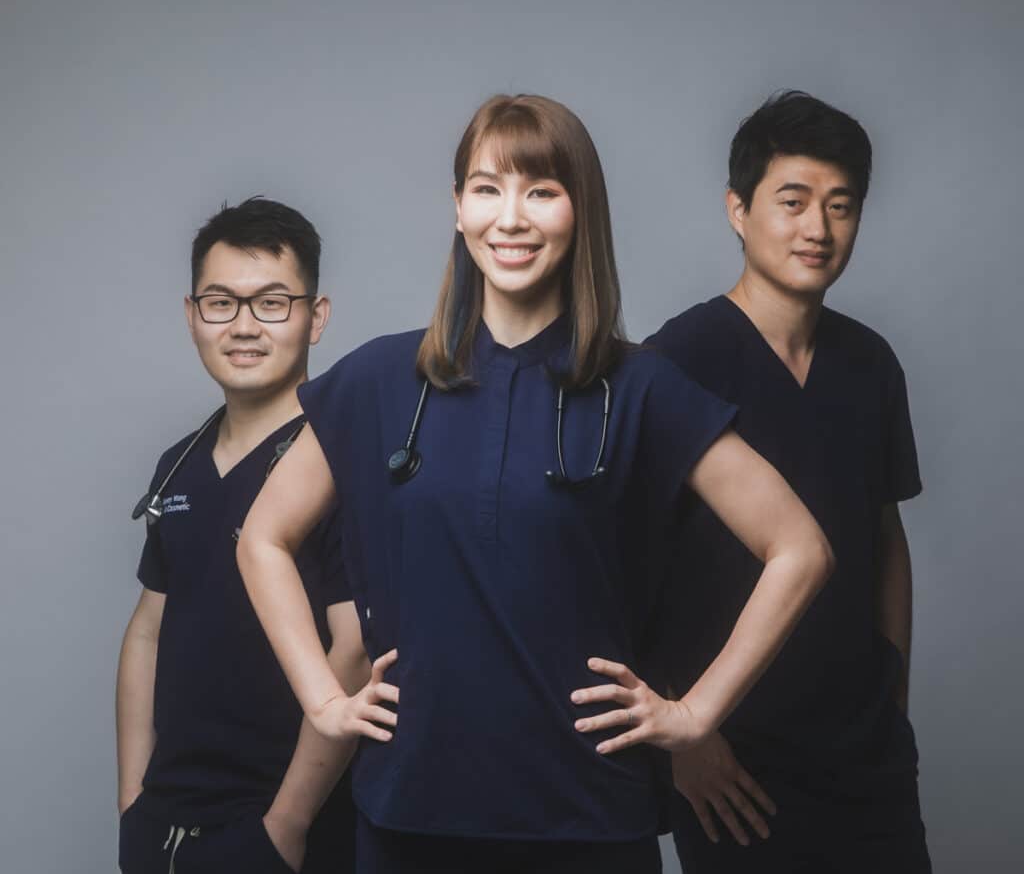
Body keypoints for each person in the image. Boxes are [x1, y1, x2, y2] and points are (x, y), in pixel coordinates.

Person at [236, 94, 834, 874]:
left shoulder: (641, 386)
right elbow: (262, 536)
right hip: (411, 812)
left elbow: (800, 547)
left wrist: (694, 712)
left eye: (540, 191)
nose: (510, 217)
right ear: (458, 208)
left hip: (586, 821)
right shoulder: (384, 379)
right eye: (487, 189)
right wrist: (324, 699)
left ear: (579, 210)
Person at [647, 91, 932, 873]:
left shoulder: (870, 363)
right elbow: (623, 569)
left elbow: (884, 542)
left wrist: (893, 702)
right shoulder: (675, 362)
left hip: (864, 752)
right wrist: (686, 737)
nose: (818, 228)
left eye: (841, 206)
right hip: (734, 764)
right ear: (738, 209)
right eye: (794, 200)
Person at [116, 197, 374, 873]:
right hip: (166, 824)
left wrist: (286, 824)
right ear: (192, 314)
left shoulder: (338, 460)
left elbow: (356, 647)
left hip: (289, 828)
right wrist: (131, 799)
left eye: (272, 303)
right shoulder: (179, 461)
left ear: (315, 318)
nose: (244, 326)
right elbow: (147, 630)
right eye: (220, 302)